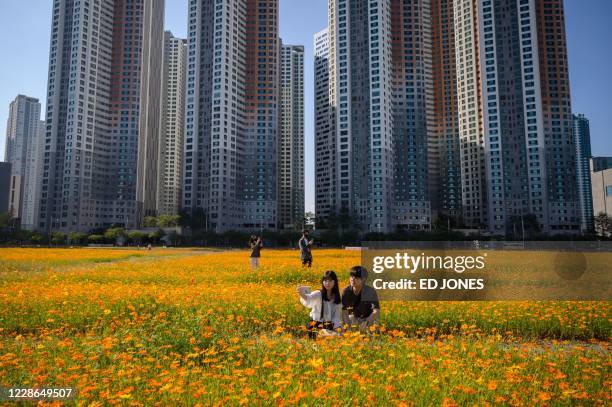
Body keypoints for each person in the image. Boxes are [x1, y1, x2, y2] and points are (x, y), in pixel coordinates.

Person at [297, 270, 342, 338]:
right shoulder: (318, 293)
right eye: (325, 280)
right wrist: (302, 294)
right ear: (322, 282)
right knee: (333, 336)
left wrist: (338, 329)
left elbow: (336, 317)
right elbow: (309, 298)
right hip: (315, 325)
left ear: (335, 282)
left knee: (339, 336)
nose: (327, 283)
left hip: (329, 326)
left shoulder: (336, 298)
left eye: (330, 280)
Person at [341, 266, 380, 333]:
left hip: (368, 318)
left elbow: (376, 311)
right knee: (347, 330)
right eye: (351, 276)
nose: (352, 279)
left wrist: (367, 322)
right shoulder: (346, 291)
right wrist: (347, 325)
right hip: (353, 318)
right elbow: (344, 311)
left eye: (356, 277)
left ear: (363, 279)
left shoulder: (370, 291)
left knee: (372, 332)